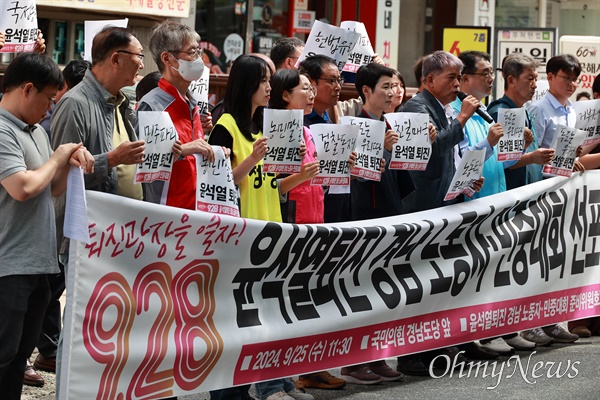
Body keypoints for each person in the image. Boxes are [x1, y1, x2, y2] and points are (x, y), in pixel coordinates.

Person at [50, 26, 148, 391]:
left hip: (123, 235)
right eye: (138, 57)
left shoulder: (123, 103)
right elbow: (60, 176)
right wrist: (113, 159)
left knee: (113, 325)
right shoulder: (76, 103)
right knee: (80, 325)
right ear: (116, 59)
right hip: (86, 236)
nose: (141, 65)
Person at [208, 55, 311, 400]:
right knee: (232, 322)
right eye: (264, 81)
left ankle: (259, 388)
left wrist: (298, 173)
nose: (270, 88)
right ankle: (227, 394)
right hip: (238, 237)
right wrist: (252, 158)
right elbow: (218, 185)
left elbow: (270, 186)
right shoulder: (225, 126)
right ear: (248, 84)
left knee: (261, 318)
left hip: (269, 232)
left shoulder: (263, 129)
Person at [0, 52, 94, 400]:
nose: (49, 109)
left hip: (39, 261)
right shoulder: (2, 129)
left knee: (17, 357)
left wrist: (70, 166)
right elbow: (22, 187)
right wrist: (57, 157)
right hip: (8, 266)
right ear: (27, 89)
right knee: (3, 353)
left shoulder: (36, 130)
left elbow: (48, 189)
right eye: (48, 100)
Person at [525, 53, 582, 344]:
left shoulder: (572, 110)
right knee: (534, 260)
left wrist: (572, 160)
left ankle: (549, 321)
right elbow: (532, 154)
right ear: (551, 77)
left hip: (563, 191)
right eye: (566, 78)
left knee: (554, 260)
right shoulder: (537, 109)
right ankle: (529, 323)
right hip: (538, 192)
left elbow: (563, 151)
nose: (571, 83)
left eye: (575, 79)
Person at [137, 21, 214, 210]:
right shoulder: (152, 105)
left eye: (199, 52)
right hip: (166, 214)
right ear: (167, 58)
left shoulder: (192, 103)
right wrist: (187, 149)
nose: (198, 59)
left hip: (195, 209)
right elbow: (146, 163)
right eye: (192, 52)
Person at [400, 50, 480, 211]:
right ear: (430, 80)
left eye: (459, 78)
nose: (457, 83)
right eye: (451, 77)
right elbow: (435, 147)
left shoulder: (445, 109)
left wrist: (464, 180)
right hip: (423, 205)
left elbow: (449, 157)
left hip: (444, 202)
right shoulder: (416, 107)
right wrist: (463, 116)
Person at [299, 55, 352, 223]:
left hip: (333, 209)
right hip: (305, 214)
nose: (337, 87)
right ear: (310, 82)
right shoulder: (297, 123)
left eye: (339, 80)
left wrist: (351, 167)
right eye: (331, 81)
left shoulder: (329, 118)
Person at [450, 51, 507, 201]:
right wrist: (488, 142)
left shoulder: (483, 110)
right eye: (485, 74)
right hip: (472, 207)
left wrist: (522, 149)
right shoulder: (454, 114)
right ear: (465, 78)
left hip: (495, 202)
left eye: (492, 73)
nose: (491, 79)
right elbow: (459, 162)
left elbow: (497, 161)